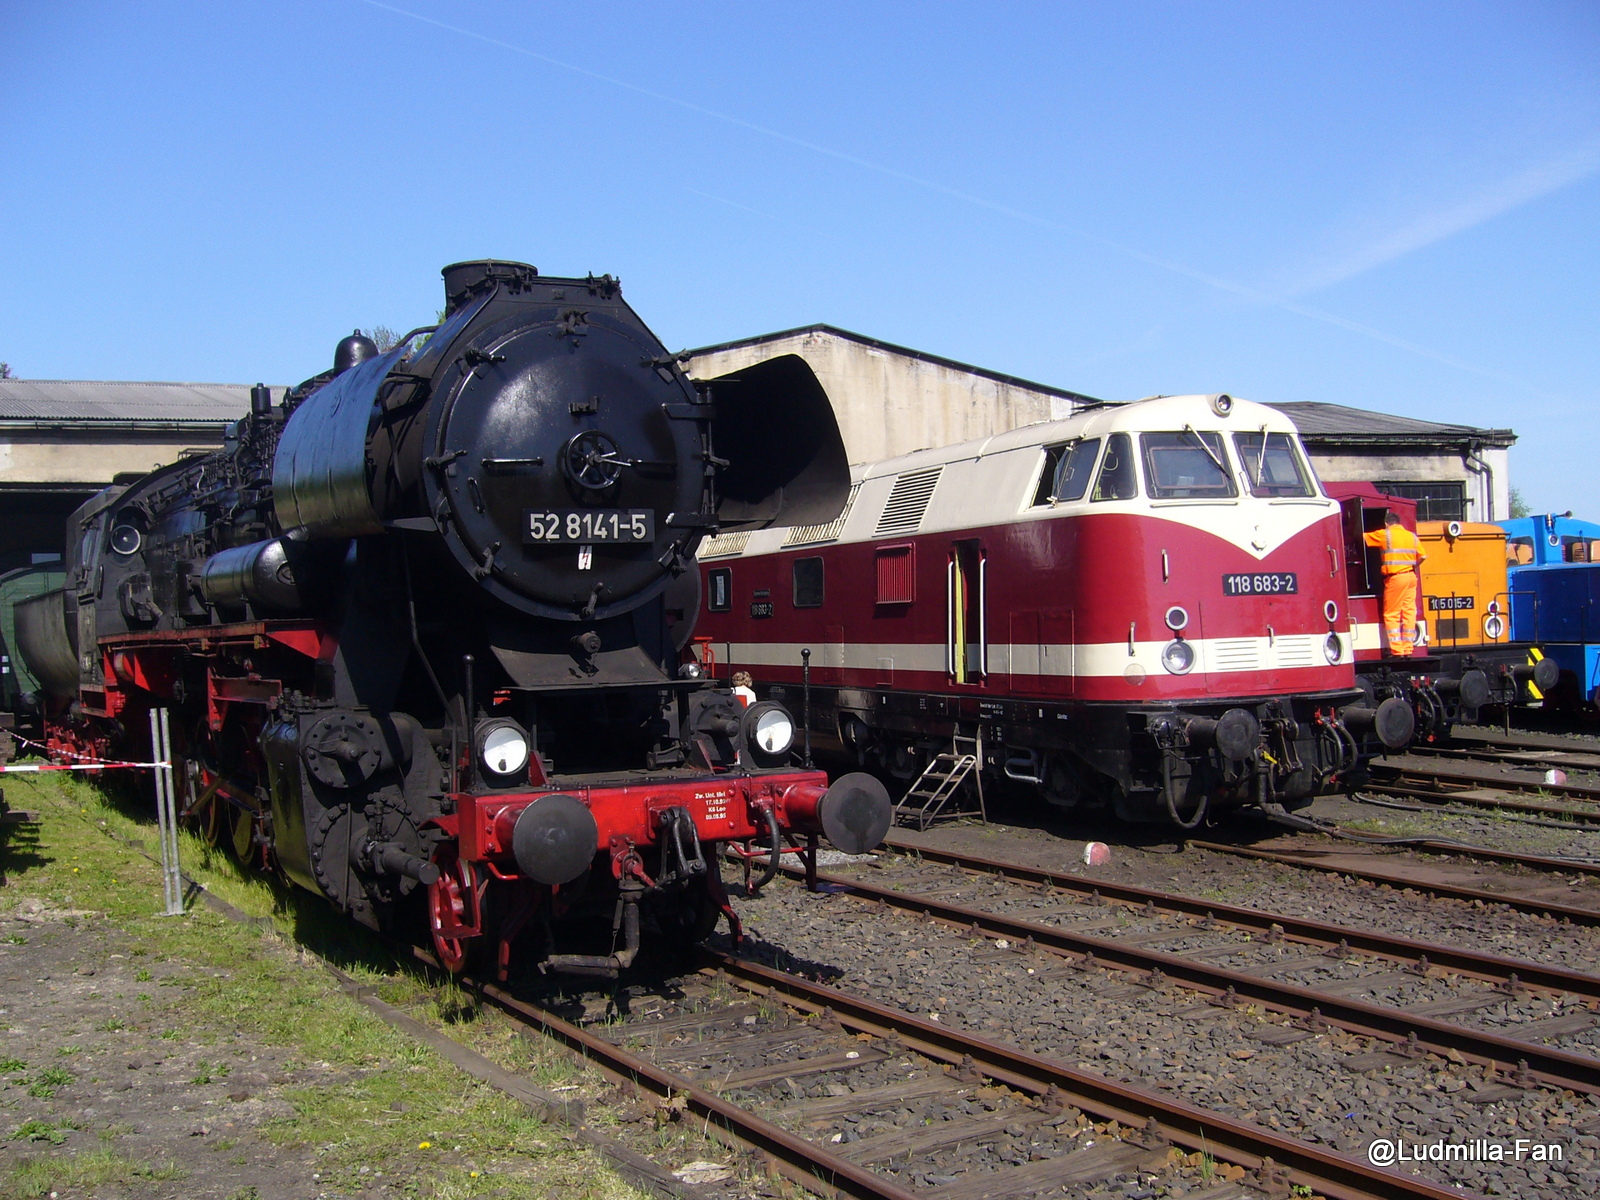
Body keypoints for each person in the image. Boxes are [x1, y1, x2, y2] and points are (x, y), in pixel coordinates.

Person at [1364, 511, 1427, 657]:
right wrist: (1413, 565)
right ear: (1399, 523)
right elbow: (1423, 556)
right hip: (1411, 576)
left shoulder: (1385, 534)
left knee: (1391, 614)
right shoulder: (1411, 536)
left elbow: (1362, 537)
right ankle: (1408, 649)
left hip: (1396, 578)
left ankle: (1397, 650)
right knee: (1409, 612)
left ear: (1386, 523)